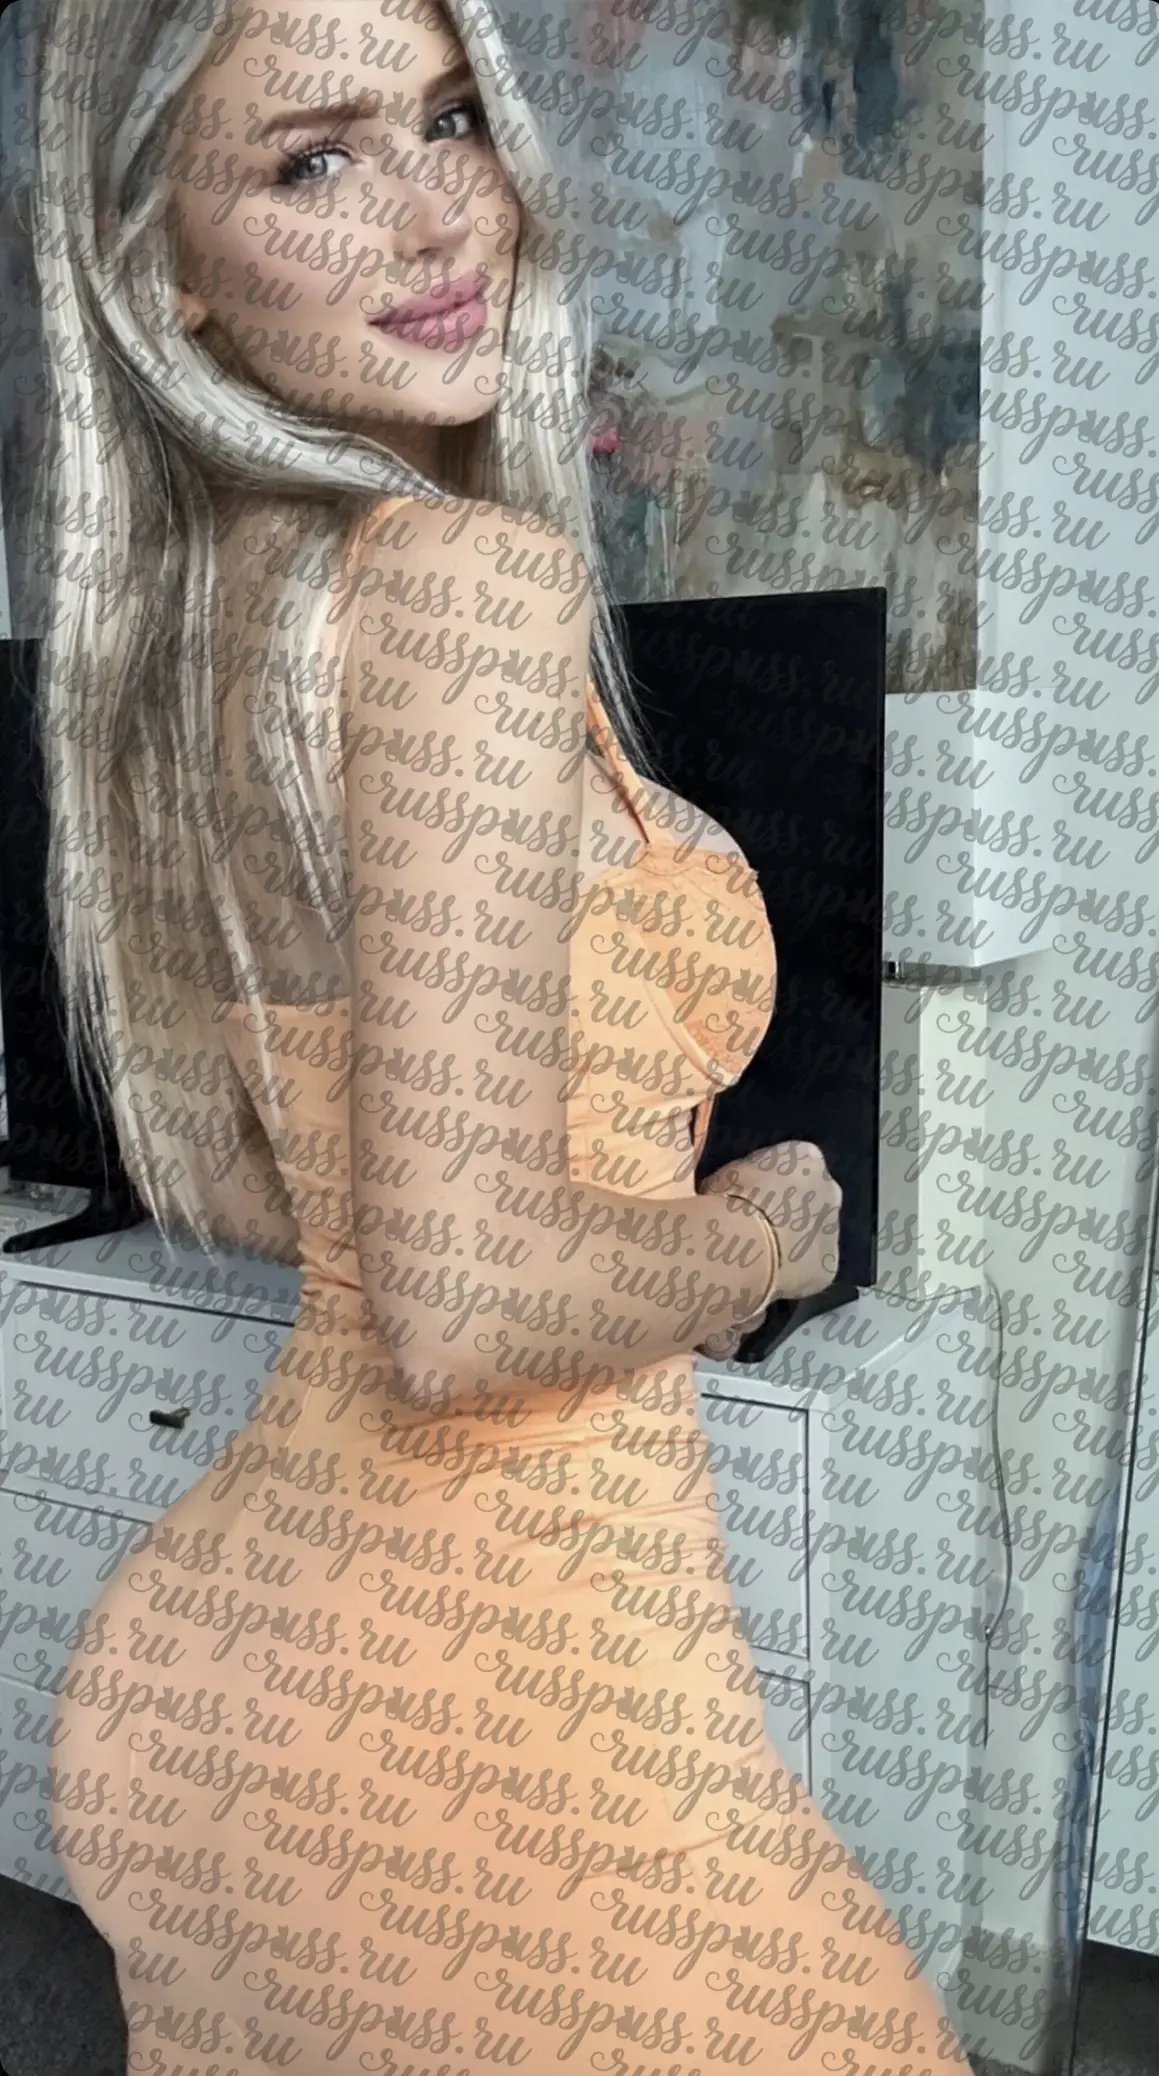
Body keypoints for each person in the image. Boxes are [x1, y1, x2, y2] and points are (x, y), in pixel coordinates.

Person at [28, 0, 971, 2068]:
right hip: (504, 1711)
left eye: (452, 117)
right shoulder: (458, 590)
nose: (440, 212)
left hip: (255, 1685)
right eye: (313, 158)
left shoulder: (192, 633)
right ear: (162, 273)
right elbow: (463, 1314)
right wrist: (760, 1243)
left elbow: (284, 1199)